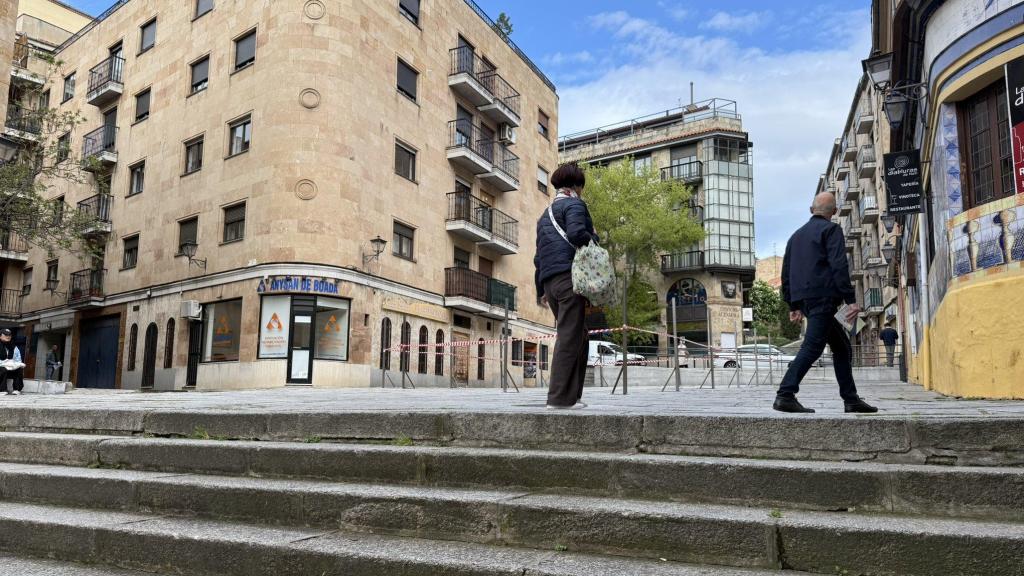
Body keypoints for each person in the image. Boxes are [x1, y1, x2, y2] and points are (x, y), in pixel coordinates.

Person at [774, 192, 877, 414]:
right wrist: (850, 300)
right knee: (813, 346)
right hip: (823, 297)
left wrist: (792, 304)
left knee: (841, 347)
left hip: (806, 299)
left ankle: (851, 399)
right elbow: (838, 265)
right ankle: (785, 394)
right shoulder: (831, 230)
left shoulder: (795, 236)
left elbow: (786, 272)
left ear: (812, 210)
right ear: (835, 212)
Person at [534, 163, 599, 409]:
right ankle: (559, 399)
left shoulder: (544, 215)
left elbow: (538, 257)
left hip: (550, 283)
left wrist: (540, 290)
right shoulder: (575, 205)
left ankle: (574, 395)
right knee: (569, 338)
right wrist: (594, 237)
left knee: (579, 336)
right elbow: (576, 234)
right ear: (577, 185)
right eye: (581, 186)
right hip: (569, 279)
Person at [0, 329, 25, 395]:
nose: (8, 336)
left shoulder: (14, 347)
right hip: (2, 367)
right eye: (5, 335)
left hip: (11, 367)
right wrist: (5, 364)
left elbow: (18, 359)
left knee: (19, 369)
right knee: (3, 370)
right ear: (0, 336)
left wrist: (15, 365)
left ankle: (17, 389)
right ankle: (2, 389)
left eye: (9, 335)